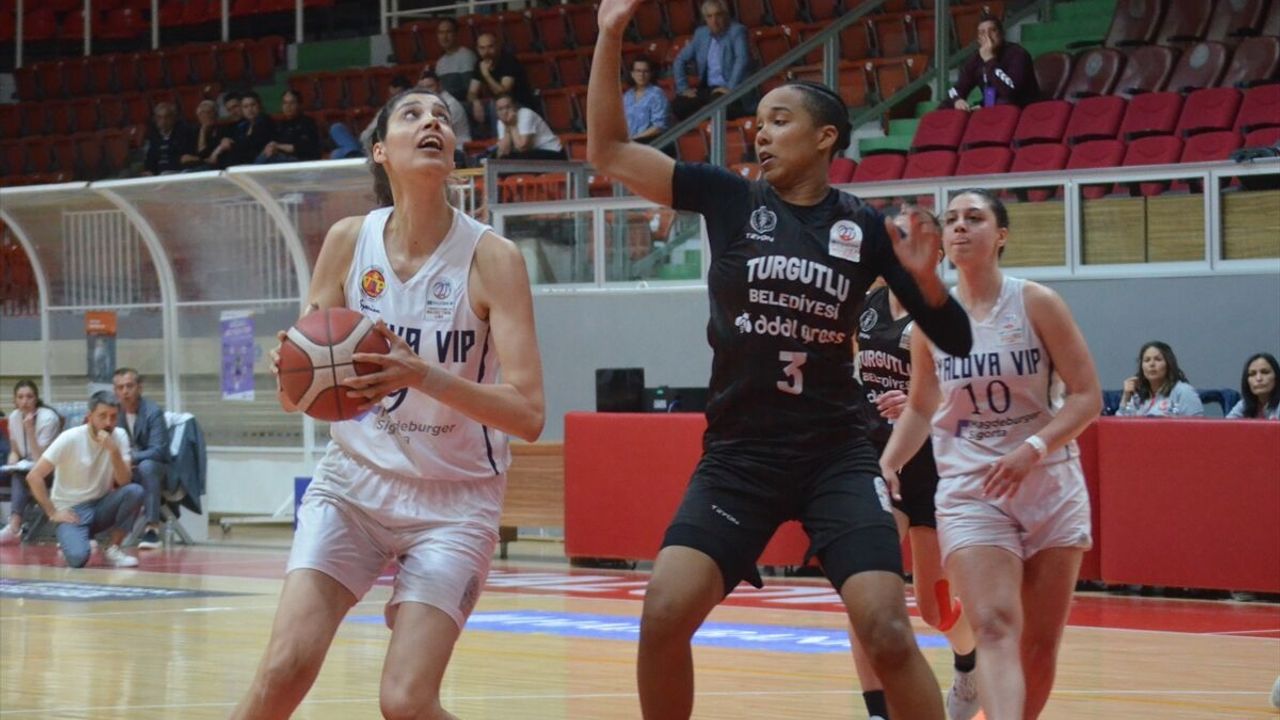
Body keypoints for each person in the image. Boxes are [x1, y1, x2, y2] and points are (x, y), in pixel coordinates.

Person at [588, 2, 975, 717]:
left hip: (836, 455)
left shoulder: (862, 227)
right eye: (757, 123)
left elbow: (956, 341)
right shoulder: (729, 199)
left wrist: (927, 285)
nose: (759, 132)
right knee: (663, 612)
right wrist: (610, 34)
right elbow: (608, 152)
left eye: (778, 120)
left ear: (826, 136)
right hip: (740, 457)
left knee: (889, 633)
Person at [230, 86, 545, 720]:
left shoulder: (493, 258)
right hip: (354, 483)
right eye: (413, 114)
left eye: (442, 117)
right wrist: (290, 373)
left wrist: (421, 374)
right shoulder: (349, 241)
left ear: (452, 149)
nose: (432, 121)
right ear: (380, 150)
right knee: (282, 670)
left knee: (405, 702)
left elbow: (529, 414)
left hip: (455, 500)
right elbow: (300, 395)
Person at [879, 188, 1101, 720]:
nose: (959, 227)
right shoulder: (929, 321)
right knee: (995, 625)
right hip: (972, 489)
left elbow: (1087, 396)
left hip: (1048, 483)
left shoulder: (1037, 303)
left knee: (1039, 646)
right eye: (952, 219)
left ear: (1000, 235)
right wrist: (888, 460)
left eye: (974, 218)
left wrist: (1033, 447)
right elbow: (921, 406)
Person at [849, 208, 979, 720]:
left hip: (937, 462)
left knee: (935, 608)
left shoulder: (948, 310)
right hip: (880, 457)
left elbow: (973, 394)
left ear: (935, 251)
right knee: (865, 594)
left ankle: (969, 665)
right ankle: (877, 712)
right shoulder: (866, 303)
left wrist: (922, 403)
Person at [21, 391, 142, 569]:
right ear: (89, 416)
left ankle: (114, 548)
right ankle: (74, 538)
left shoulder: (120, 436)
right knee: (78, 559)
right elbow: (34, 476)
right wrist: (52, 512)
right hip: (72, 512)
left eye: (113, 417)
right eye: (102, 416)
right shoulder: (70, 438)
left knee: (135, 491)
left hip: (101, 506)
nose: (108, 423)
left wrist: (114, 451)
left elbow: (124, 482)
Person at [113, 368, 170, 550]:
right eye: (120, 387)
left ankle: (152, 528)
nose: (125, 391)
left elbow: (158, 450)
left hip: (156, 470)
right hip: (126, 468)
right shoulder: (113, 413)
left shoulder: (153, 412)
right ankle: (89, 526)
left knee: (147, 466)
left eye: (129, 386)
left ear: (139, 388)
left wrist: (129, 458)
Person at [0, 380, 62, 545]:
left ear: (36, 399)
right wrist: (12, 462)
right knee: (17, 473)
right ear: (15, 400)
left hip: (50, 471)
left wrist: (29, 429)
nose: (24, 401)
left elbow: (40, 459)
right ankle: (12, 526)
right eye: (20, 397)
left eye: (29, 397)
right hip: (25, 468)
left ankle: (14, 526)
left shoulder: (48, 418)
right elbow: (15, 450)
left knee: (21, 476)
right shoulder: (14, 417)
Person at [671, 0, 753, 120]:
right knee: (679, 105)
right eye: (709, 16)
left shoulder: (737, 31)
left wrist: (730, 88)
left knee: (718, 103)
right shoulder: (701, 34)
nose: (714, 21)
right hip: (709, 89)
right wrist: (683, 88)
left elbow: (742, 60)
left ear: (725, 15)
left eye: (718, 15)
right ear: (705, 19)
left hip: (732, 89)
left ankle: (705, 115)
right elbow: (679, 60)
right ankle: (706, 114)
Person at [941, 16, 1039, 111]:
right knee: (944, 108)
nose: (987, 36)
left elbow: (1010, 92)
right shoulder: (976, 60)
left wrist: (989, 60)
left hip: (1022, 109)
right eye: (982, 33)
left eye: (992, 31)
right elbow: (956, 90)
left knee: (1002, 103)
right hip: (993, 109)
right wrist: (957, 100)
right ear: (978, 39)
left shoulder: (1018, 54)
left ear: (1001, 34)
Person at [466, 32, 534, 138]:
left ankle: (498, 141)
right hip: (498, 103)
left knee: (495, 105)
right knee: (464, 107)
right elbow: (471, 92)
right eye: (482, 48)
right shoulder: (480, 63)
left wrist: (486, 75)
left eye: (490, 47)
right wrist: (475, 102)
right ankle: (473, 141)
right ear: (477, 49)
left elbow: (503, 93)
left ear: (497, 46)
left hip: (518, 103)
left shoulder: (508, 61)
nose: (486, 52)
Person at [1116, 341, 1204, 417]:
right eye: (1147, 360)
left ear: (1169, 364)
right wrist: (1126, 397)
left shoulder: (1183, 392)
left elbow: (1196, 427)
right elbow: (1120, 427)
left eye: (1158, 359)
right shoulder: (1137, 396)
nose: (1152, 364)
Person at [209, 91, 276, 168]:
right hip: (239, 165)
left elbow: (250, 149)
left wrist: (226, 148)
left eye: (253, 105)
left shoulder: (265, 122)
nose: (250, 109)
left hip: (256, 165)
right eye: (245, 107)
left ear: (259, 106)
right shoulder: (244, 126)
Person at [494, 93, 566, 160]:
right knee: (504, 159)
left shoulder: (526, 114)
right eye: (500, 109)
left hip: (552, 151)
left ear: (515, 107)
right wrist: (507, 127)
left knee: (518, 158)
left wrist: (512, 126)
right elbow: (505, 151)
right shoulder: (501, 122)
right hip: (533, 153)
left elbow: (522, 147)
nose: (505, 112)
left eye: (508, 107)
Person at [256, 90, 320, 164]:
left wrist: (278, 146)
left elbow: (303, 148)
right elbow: (274, 143)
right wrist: (271, 147)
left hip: (302, 161)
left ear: (299, 105)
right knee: (265, 153)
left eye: (292, 103)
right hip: (283, 159)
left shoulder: (307, 123)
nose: (288, 106)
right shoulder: (281, 124)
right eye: (285, 103)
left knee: (267, 157)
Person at [623, 56, 670, 142]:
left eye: (646, 71)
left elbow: (659, 127)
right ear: (632, 74)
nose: (641, 75)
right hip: (630, 142)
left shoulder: (657, 94)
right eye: (638, 71)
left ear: (650, 74)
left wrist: (635, 139)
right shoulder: (627, 96)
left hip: (650, 141)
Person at [142, 101, 197, 175]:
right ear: (155, 119)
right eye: (159, 117)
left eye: (167, 117)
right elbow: (150, 158)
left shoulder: (184, 132)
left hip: (178, 171)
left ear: (173, 118)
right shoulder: (153, 135)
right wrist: (149, 170)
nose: (163, 121)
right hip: (158, 173)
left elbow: (184, 158)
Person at [419, 69, 471, 144]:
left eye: (430, 86)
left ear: (439, 85)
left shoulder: (450, 104)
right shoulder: (429, 103)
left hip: (460, 145)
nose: (427, 91)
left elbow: (438, 131)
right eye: (423, 88)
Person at [432, 16, 478, 101]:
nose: (444, 37)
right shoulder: (440, 62)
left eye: (448, 32)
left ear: (456, 34)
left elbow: (470, 91)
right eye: (441, 33)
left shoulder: (466, 56)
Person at [1227, 352, 1279, 419]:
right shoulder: (1244, 404)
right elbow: (1226, 424)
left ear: (1276, 377)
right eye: (1252, 374)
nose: (1258, 378)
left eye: (1265, 372)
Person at [183, 99, 226, 170]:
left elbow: (204, 153)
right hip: (195, 167)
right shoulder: (192, 132)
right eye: (202, 113)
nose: (207, 115)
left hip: (215, 168)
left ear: (216, 114)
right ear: (198, 116)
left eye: (210, 112)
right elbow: (184, 158)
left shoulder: (223, 130)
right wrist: (202, 130)